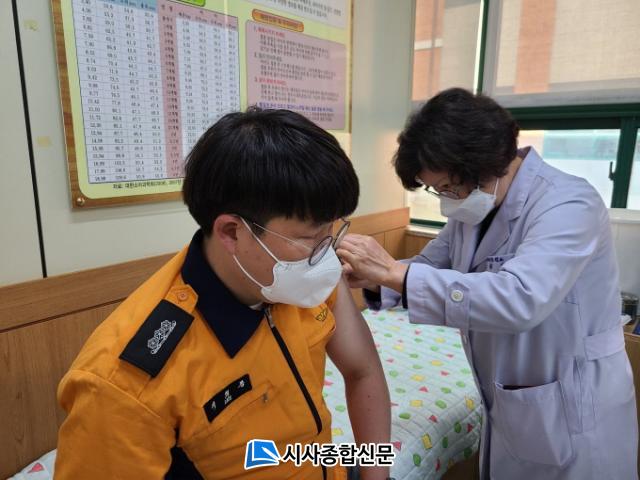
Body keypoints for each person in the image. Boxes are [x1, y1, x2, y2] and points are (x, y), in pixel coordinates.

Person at [55, 107, 391, 480]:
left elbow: (362, 370)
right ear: (232, 232)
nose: (327, 254)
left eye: (332, 231)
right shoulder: (123, 386)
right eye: (311, 237)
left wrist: (376, 476)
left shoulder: (304, 279)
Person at [337, 88, 638, 479]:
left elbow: (521, 298)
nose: (445, 199)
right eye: (436, 190)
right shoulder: (473, 209)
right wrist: (376, 280)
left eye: (447, 187)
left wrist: (392, 272)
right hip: (513, 395)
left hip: (574, 401)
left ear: (482, 167)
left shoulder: (568, 203)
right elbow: (429, 265)